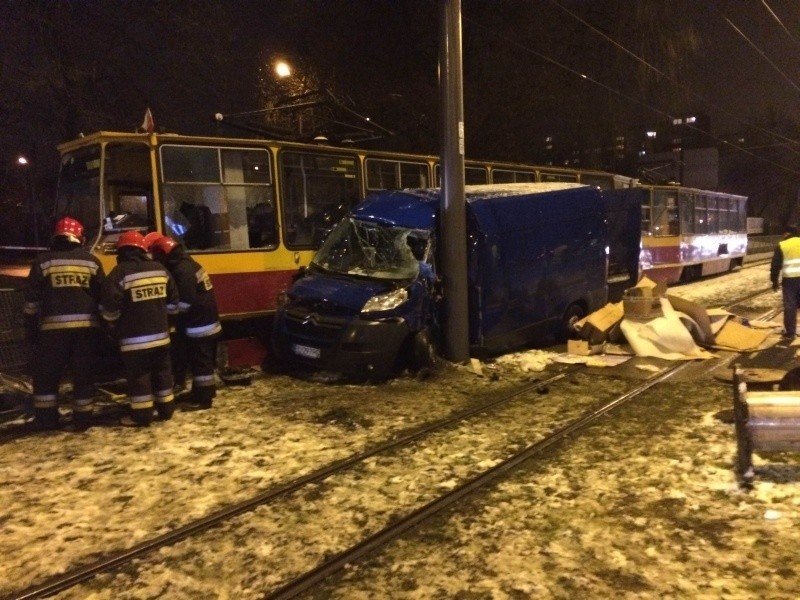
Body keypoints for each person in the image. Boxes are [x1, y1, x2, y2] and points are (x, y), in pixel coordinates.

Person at [23, 217, 106, 430]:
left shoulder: (43, 261)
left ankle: (47, 420)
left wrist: (31, 331)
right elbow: (102, 297)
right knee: (83, 375)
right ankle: (83, 420)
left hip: (52, 332)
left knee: (47, 377)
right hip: (86, 330)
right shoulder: (91, 262)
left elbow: (31, 302)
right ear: (80, 238)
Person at [101, 230, 179, 426]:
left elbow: (109, 308)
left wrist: (113, 325)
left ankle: (142, 416)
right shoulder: (160, 269)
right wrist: (165, 321)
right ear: (143, 249)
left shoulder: (120, 273)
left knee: (139, 377)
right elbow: (173, 302)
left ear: (122, 251)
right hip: (162, 337)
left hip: (133, 341)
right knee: (163, 373)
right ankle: (166, 411)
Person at [148, 233, 222, 409]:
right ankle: (204, 391)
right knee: (202, 364)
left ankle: (203, 401)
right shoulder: (187, 264)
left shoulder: (182, 271)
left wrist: (167, 317)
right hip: (205, 322)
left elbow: (184, 303)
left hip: (200, 326)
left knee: (201, 365)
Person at [770, 224, 800, 341]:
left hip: (790, 280)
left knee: (790, 306)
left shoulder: (782, 245)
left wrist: (774, 282)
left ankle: (790, 332)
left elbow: (775, 265)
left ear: (787, 233)